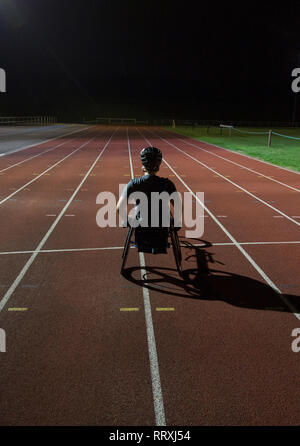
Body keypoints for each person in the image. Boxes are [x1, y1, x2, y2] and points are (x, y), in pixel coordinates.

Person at [117, 146, 181, 252]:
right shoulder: (167, 184)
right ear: (159, 163)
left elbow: (119, 208)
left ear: (143, 163)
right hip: (161, 236)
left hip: (141, 236)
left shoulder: (133, 184)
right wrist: (177, 222)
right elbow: (178, 205)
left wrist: (127, 221)